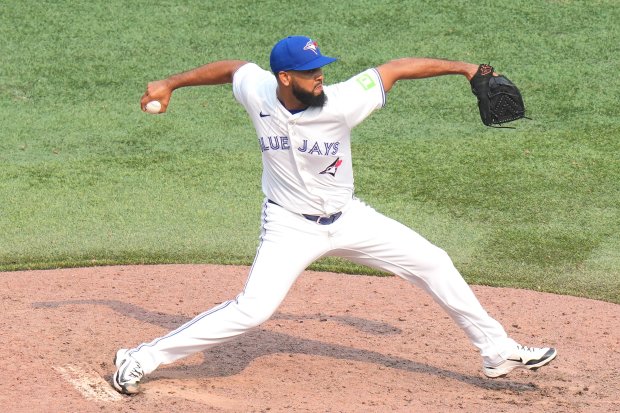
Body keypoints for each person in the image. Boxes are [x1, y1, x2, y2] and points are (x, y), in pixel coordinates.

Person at [113, 35, 557, 395]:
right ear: (284, 78)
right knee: (252, 311)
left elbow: (396, 67)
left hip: (349, 219)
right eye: (309, 72)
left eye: (321, 67)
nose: (320, 76)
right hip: (289, 224)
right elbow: (233, 67)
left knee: (433, 261)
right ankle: (140, 358)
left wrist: (465, 68)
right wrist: (170, 82)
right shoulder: (259, 90)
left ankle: (496, 350)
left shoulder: (343, 100)